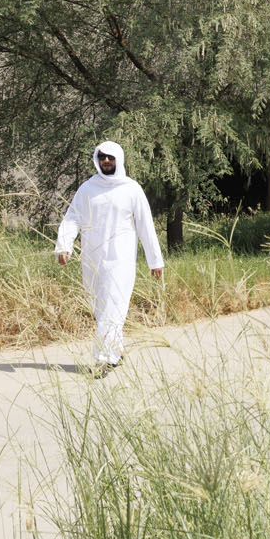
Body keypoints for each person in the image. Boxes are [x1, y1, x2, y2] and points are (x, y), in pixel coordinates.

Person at [54, 140, 164, 369]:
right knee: (102, 309)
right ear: (97, 159)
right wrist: (64, 245)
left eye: (110, 157)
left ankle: (104, 358)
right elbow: (73, 217)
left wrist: (155, 260)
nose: (106, 161)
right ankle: (117, 350)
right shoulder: (87, 189)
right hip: (93, 259)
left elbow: (145, 225)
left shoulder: (131, 188)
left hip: (121, 260)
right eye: (102, 157)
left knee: (114, 306)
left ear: (119, 160)